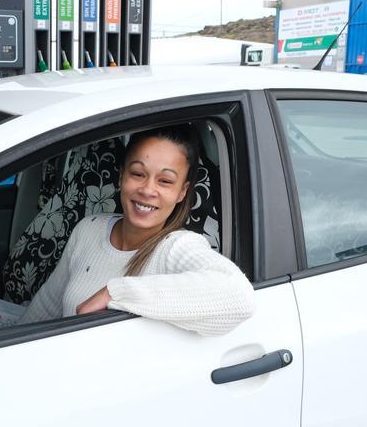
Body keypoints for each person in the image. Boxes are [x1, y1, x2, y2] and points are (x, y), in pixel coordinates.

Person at [16, 125, 255, 336]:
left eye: (165, 181)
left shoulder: (176, 247)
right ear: (121, 177)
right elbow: (45, 309)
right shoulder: (88, 228)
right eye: (138, 174)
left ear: (182, 192)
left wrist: (115, 293)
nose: (148, 189)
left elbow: (238, 297)